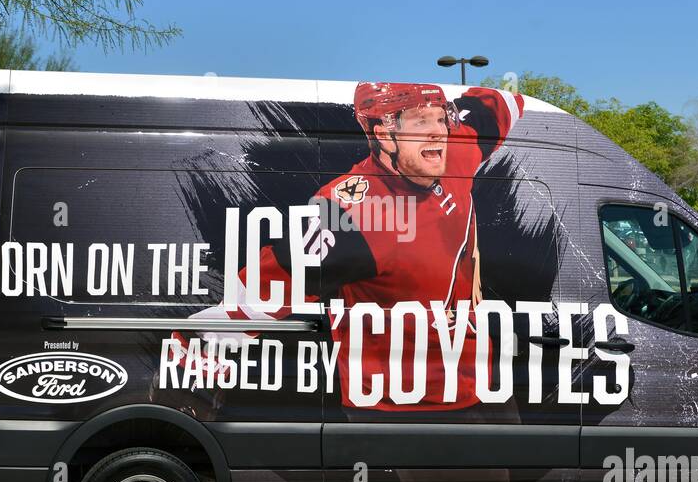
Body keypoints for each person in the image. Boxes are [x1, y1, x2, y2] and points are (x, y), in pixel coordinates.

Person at [169, 80, 527, 424]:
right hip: (404, 405)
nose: (438, 131)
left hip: (479, 378)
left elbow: (502, 104)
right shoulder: (352, 210)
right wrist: (193, 349)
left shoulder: (454, 149)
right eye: (420, 122)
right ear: (383, 134)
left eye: (439, 118)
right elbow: (269, 286)